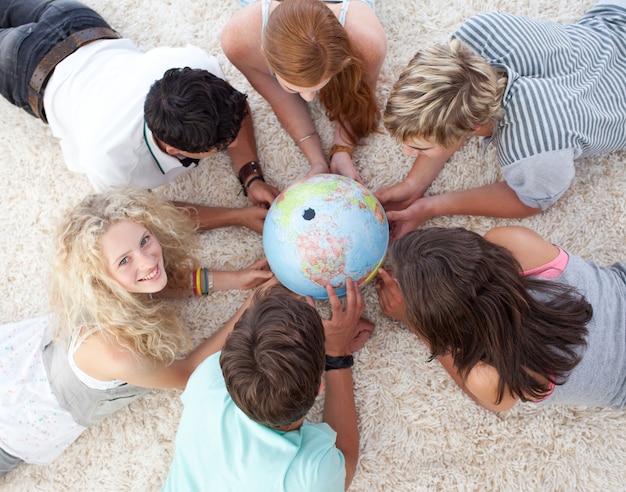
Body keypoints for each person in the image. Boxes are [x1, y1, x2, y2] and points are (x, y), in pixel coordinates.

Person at [0, 188, 274, 477]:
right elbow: (187, 373)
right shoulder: (116, 352)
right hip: (13, 427)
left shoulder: (103, 278)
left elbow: (156, 282)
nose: (148, 261)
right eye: (124, 261)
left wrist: (236, 279)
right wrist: (254, 305)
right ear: (100, 281)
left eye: (145, 240)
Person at [0, 0, 279, 233]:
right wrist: (237, 217)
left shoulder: (199, 69)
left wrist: (251, 176)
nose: (233, 145)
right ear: (173, 149)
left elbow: (238, 112)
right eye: (220, 147)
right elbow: (147, 216)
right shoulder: (110, 157)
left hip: (77, 22)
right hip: (27, 67)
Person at [377, 1, 626, 239]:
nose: (407, 152)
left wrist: (430, 207)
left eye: (420, 147)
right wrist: (413, 183)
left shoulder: (535, 152)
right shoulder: (480, 34)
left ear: (473, 128)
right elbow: (452, 106)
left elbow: (531, 201)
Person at [375, 225, 626, 412]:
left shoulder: (492, 376)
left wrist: (411, 320)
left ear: (445, 327)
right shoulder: (513, 242)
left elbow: (492, 403)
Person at [162, 279, 371, 491]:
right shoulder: (314, 473)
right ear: (320, 386)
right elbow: (346, 459)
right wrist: (337, 354)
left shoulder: (206, 378)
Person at [221, 0, 387, 183]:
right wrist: (316, 160)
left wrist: (343, 149)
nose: (309, 98)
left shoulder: (367, 39)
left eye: (319, 87)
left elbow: (359, 97)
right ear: (264, 53)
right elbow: (280, 99)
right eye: (293, 88)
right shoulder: (238, 40)